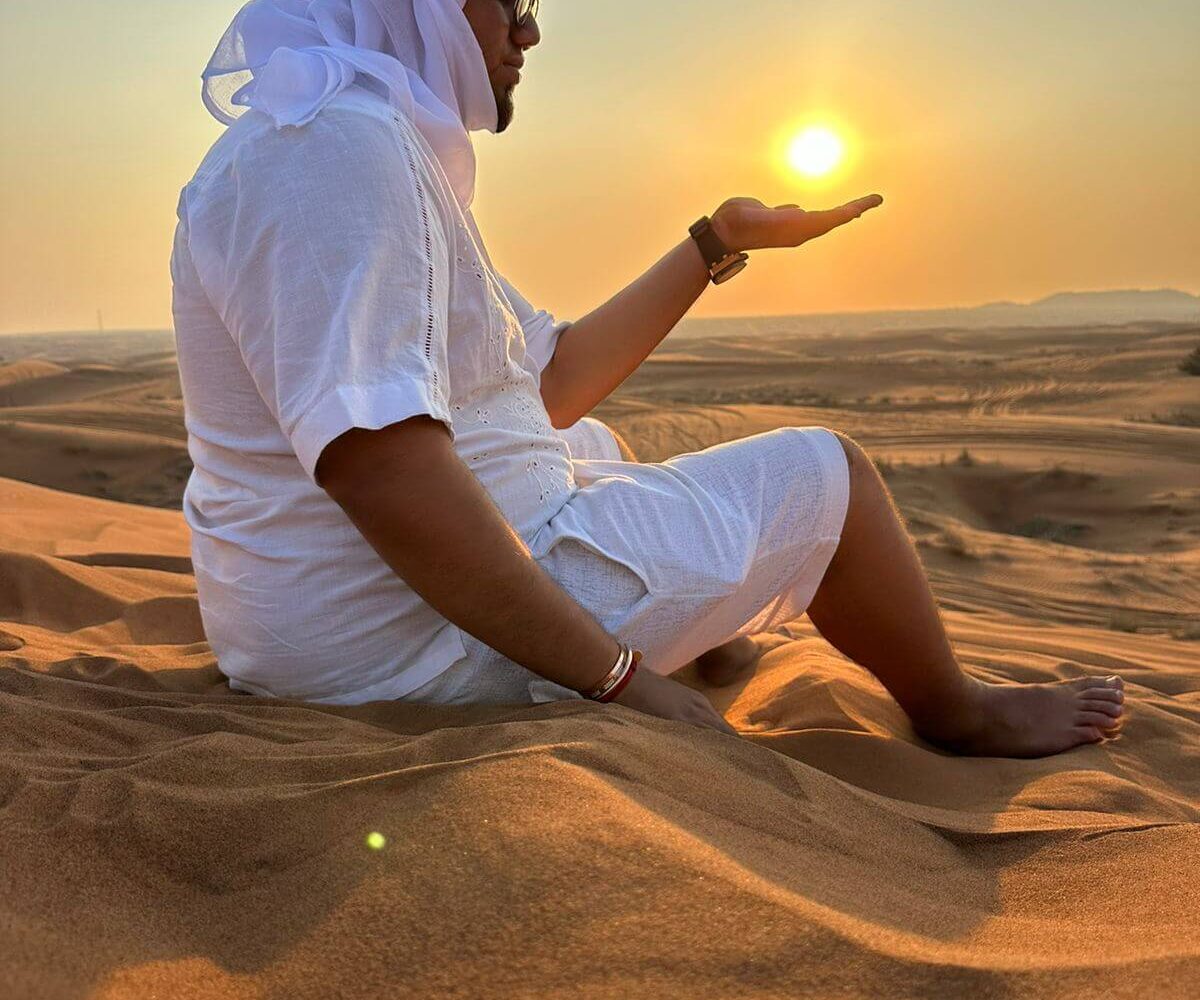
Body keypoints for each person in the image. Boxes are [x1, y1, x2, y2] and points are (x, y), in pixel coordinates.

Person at [171, 0, 1125, 757]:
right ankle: (959, 713)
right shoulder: (336, 149)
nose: (530, 29)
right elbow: (380, 468)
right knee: (827, 478)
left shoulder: (341, 134)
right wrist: (620, 681)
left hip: (323, 624)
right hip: (405, 648)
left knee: (588, 445)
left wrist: (716, 243)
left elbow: (544, 389)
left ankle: (711, 628)